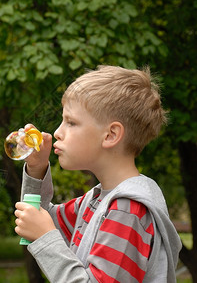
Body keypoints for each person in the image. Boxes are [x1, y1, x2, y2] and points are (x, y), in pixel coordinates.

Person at [14, 65, 182, 282]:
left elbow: (45, 231)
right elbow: (35, 219)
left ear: (111, 135)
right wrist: (37, 170)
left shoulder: (127, 210)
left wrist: (45, 237)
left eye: (71, 122)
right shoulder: (96, 199)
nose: (57, 132)